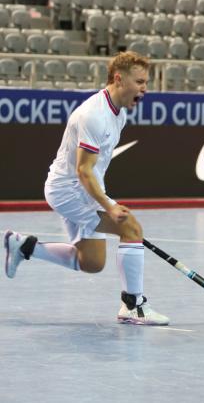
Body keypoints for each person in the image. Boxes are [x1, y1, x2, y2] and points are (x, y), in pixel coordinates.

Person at [3, 51, 169, 326]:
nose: (144, 88)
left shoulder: (119, 115)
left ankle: (24, 246)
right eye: (139, 81)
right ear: (119, 79)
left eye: (145, 82)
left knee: (91, 262)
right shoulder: (94, 115)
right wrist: (109, 206)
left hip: (81, 189)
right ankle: (134, 306)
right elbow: (83, 170)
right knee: (131, 229)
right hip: (68, 191)